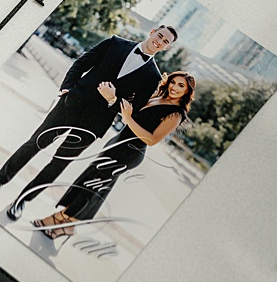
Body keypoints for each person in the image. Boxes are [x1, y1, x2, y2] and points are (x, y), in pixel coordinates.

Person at [0, 23, 178, 221]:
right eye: (159, 36)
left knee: (59, 162)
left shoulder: (153, 76)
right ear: (152, 32)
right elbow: (82, 63)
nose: (159, 42)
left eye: (165, 42)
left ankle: (22, 200)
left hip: (95, 123)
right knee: (35, 143)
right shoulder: (115, 43)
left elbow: (132, 108)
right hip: (71, 104)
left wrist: (112, 100)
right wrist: (66, 88)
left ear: (167, 47)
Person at [31, 70, 196, 240]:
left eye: (181, 85)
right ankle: (68, 227)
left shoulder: (176, 114)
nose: (174, 87)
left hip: (130, 152)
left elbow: (151, 140)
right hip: (117, 143)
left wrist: (128, 118)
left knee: (91, 186)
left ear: (187, 92)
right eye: (173, 82)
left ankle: (59, 218)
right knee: (91, 182)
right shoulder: (157, 96)